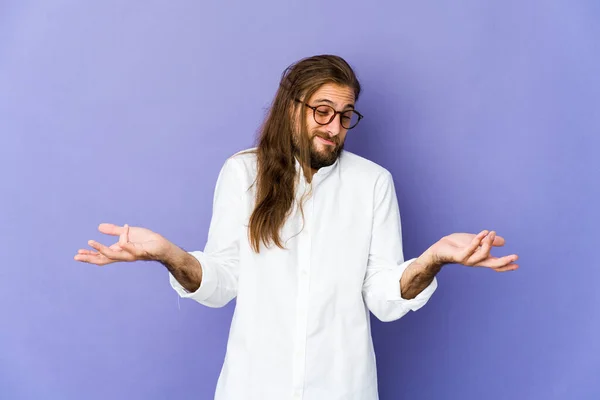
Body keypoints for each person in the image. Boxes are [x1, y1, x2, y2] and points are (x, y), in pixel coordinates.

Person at [74, 55, 519, 400]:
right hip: (252, 387)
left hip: (342, 388)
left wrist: (433, 258)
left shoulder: (373, 183)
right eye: (322, 111)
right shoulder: (241, 174)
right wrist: (168, 254)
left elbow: (384, 297)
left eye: (346, 115)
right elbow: (222, 281)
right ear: (292, 108)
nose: (335, 127)